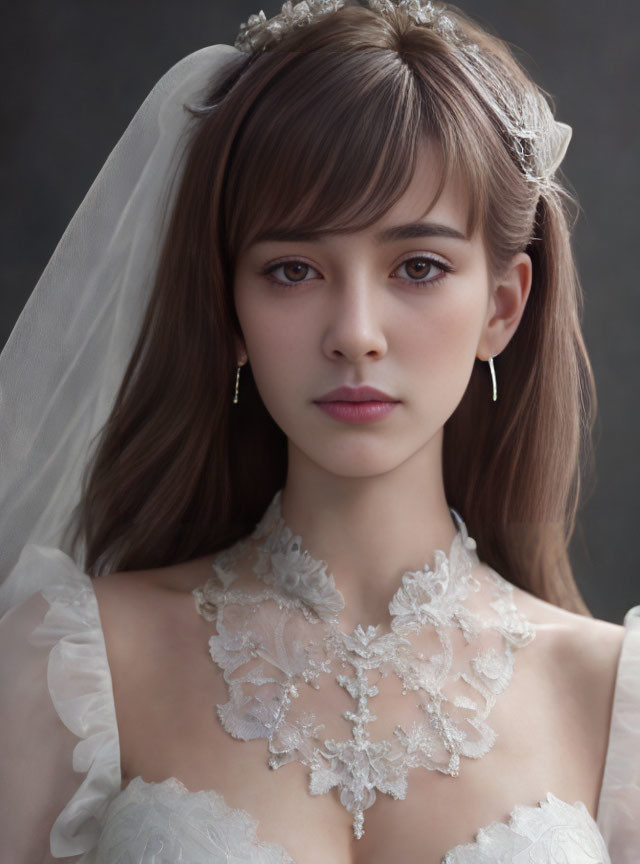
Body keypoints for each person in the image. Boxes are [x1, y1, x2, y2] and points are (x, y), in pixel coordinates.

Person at [0, 0, 638, 861]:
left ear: (502, 306)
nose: (355, 331)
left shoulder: (611, 697)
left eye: (417, 266)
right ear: (230, 311)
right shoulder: (78, 668)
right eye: (293, 270)